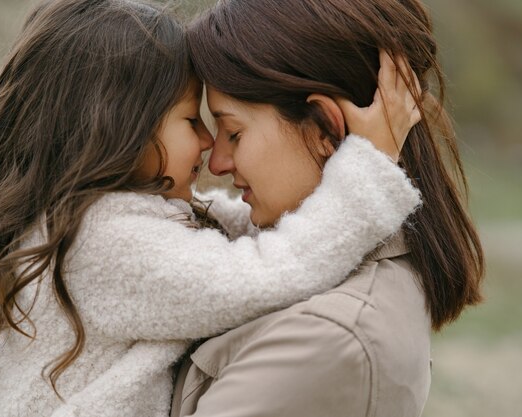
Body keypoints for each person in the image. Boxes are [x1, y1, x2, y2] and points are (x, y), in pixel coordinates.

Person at [0, 1, 423, 417]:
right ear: (119, 129)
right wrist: (368, 166)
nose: (207, 145)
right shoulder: (106, 244)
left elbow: (221, 223)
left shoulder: (100, 220)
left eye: (227, 130)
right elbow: (272, 270)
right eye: (192, 120)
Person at [170, 1, 485, 416]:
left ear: (324, 127)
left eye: (233, 132)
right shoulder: (314, 279)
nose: (217, 163)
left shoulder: (328, 338)